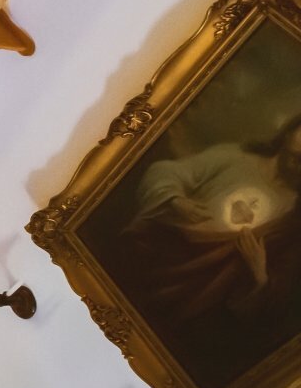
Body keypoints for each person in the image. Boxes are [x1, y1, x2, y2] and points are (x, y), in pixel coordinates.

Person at [123, 115, 301, 321]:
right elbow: (166, 172)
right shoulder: (236, 158)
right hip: (161, 254)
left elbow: (278, 294)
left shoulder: (293, 217)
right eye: (296, 156)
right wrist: (175, 199)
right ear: (288, 134)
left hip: (203, 296)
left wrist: (259, 274)